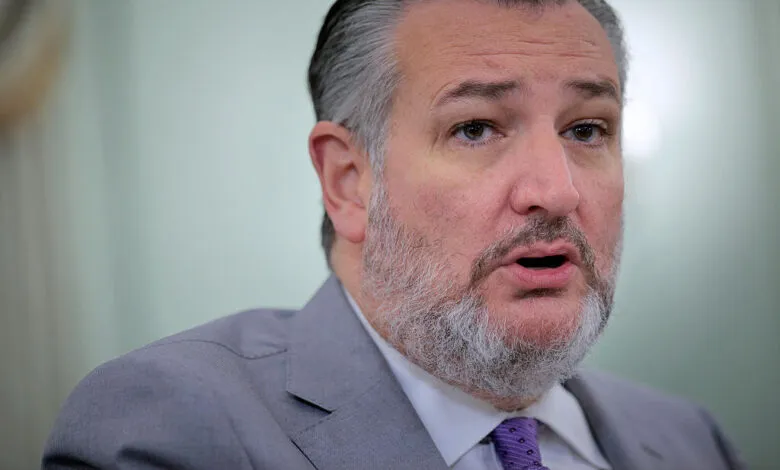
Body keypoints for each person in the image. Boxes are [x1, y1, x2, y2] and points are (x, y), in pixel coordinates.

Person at [43, 0, 746, 469]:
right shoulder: (170, 425)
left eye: (587, 129)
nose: (556, 191)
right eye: (476, 128)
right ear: (350, 181)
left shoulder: (691, 440)